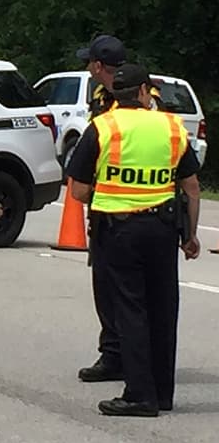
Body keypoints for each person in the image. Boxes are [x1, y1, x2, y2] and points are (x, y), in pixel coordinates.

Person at [65, 63, 202, 416]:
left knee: (130, 310)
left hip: (118, 230)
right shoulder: (171, 127)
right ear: (144, 92)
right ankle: (162, 393)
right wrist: (191, 235)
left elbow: (78, 191)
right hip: (162, 228)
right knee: (163, 309)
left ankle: (140, 395)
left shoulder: (102, 127)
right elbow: (191, 186)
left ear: (114, 95)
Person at [73, 34, 128, 383]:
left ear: (98, 65)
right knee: (105, 285)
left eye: (89, 63)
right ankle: (113, 351)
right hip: (103, 200)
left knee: (125, 288)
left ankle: (123, 355)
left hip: (132, 202)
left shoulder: (140, 96)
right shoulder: (100, 96)